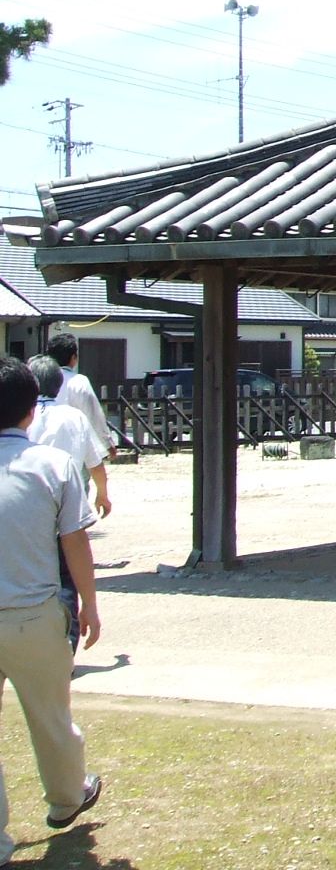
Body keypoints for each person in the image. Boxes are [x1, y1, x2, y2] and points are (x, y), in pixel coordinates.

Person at [0, 356, 103, 862]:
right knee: (51, 717)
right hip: (34, 613)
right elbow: (75, 543)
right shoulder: (54, 465)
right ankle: (66, 797)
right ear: (30, 410)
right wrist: (90, 604)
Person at [26, 356, 111, 653]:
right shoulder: (74, 417)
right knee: (67, 578)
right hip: (67, 507)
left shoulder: (21, 417)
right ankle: (66, 645)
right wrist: (103, 493)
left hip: (27, 510)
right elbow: (95, 462)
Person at [45, 334, 116, 458]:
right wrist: (107, 443)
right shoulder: (79, 381)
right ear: (74, 357)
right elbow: (94, 415)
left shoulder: (40, 380)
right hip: (72, 447)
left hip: (44, 446)